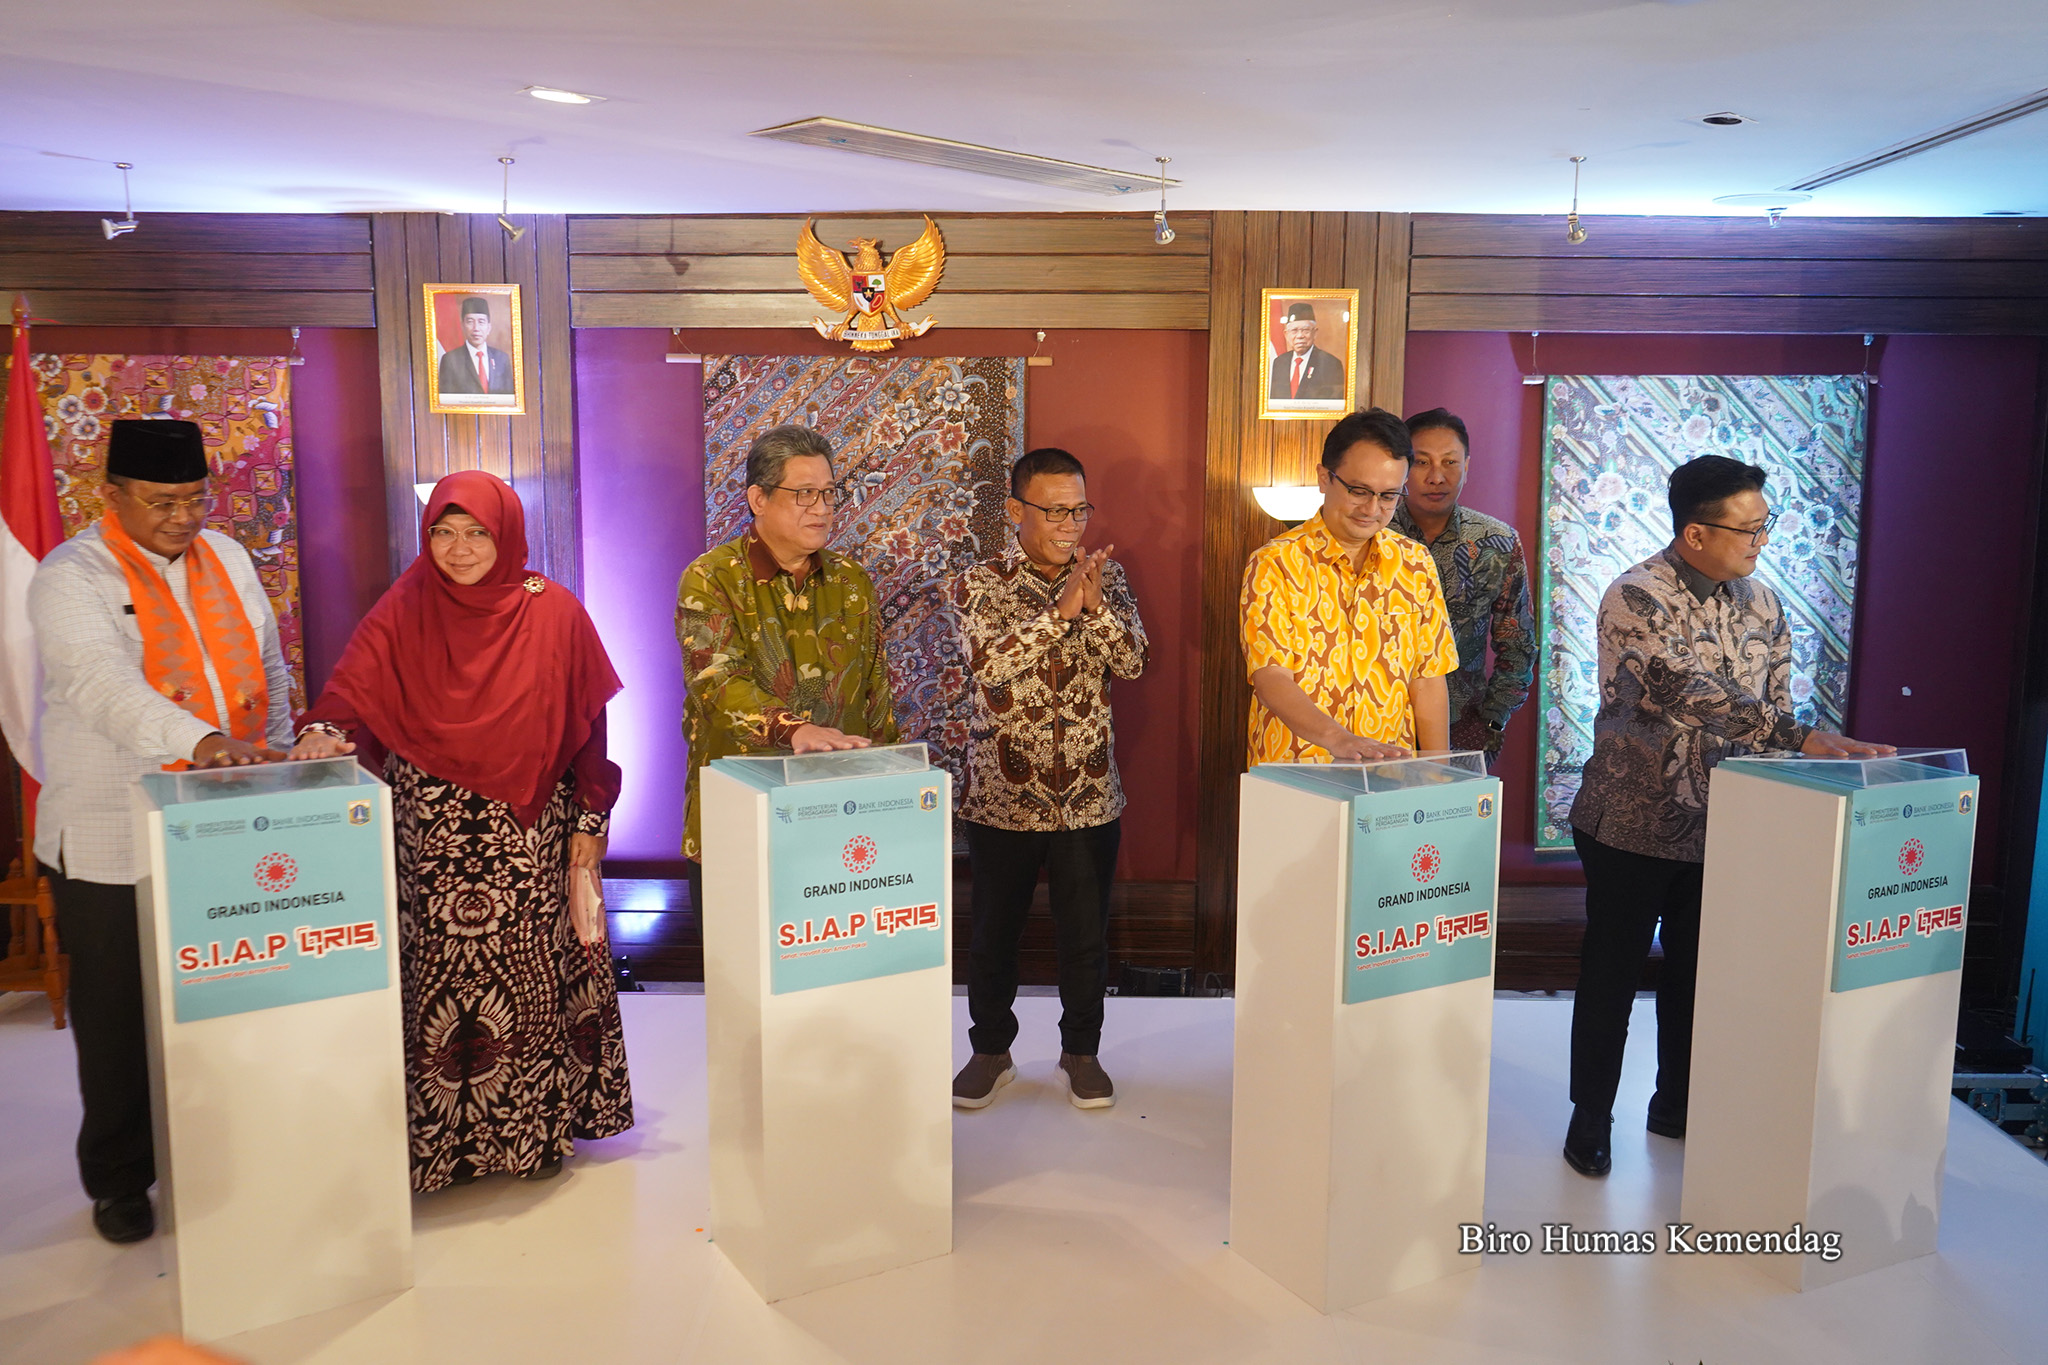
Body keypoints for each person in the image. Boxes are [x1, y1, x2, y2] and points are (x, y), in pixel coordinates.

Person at [292, 470, 632, 1190]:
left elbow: (590, 728)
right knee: (436, 982)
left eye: (477, 532)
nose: (459, 548)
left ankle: (530, 1135)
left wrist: (591, 818)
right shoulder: (407, 603)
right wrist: (325, 728)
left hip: (526, 831)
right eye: (443, 532)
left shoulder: (553, 611)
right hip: (432, 837)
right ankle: (442, 1147)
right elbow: (353, 687)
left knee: (526, 976)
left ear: (506, 533)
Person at [1562, 455, 1893, 1178]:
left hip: (1726, 827)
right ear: (1696, 533)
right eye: (1748, 529)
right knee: (1612, 974)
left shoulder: (1764, 603)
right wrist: (1798, 735)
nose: (1760, 541)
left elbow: (1774, 706)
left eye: (1765, 525)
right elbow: (1679, 688)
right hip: (1631, 822)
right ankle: (1590, 1117)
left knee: (1697, 974)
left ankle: (1677, 1103)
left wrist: (1791, 784)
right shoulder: (1635, 595)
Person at [28, 418, 292, 1244]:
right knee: (117, 1016)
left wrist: (282, 761)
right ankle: (119, 1177)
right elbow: (102, 685)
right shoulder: (71, 576)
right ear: (111, 496)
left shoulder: (230, 559)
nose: (183, 518)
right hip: (112, 831)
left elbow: (267, 667)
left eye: (194, 499)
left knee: (226, 996)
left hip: (222, 823)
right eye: (161, 502)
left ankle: (219, 1152)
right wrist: (204, 742)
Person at [951, 448, 1148, 1112]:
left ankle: (1081, 1053)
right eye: (1055, 511)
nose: (1070, 524)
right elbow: (988, 666)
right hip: (1002, 797)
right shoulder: (980, 582)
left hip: (1089, 797)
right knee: (993, 935)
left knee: (1085, 938)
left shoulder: (1107, 577)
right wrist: (1059, 613)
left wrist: (1096, 608)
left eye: (1079, 510)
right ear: (1016, 510)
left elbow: (1135, 661)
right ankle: (990, 1050)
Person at [674, 424, 898, 917]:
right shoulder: (711, 578)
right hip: (742, 816)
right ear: (759, 499)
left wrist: (888, 783)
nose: (822, 508)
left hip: (839, 818)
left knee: (833, 956)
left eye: (829, 493)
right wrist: (794, 730)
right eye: (804, 494)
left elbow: (876, 692)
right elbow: (717, 683)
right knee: (743, 962)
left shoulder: (851, 581)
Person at [1241, 407, 1458, 764]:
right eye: (1359, 491)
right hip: (1298, 769)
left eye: (1388, 496)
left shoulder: (1415, 563)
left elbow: (1428, 678)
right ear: (1324, 478)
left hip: (1390, 772)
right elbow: (1271, 678)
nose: (1371, 509)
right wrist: (1338, 740)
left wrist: (1439, 772)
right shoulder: (1276, 562)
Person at [1390, 408, 1535, 764]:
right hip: (1378, 730)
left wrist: (1493, 721)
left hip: (1464, 734)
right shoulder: (1375, 534)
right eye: (1422, 462)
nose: (1436, 477)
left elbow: (1518, 644)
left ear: (1467, 467)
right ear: (1402, 467)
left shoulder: (1497, 541)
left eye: (1450, 462)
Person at [1267, 301, 1345, 402]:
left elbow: (1334, 403)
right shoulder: (1279, 362)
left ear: (1315, 333)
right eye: (1294, 331)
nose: (1300, 336)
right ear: (1286, 334)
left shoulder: (1330, 364)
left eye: (1305, 330)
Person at [435, 296, 515, 396]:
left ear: (488, 327)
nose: (476, 328)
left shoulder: (501, 358)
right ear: (462, 326)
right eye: (470, 322)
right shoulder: (450, 360)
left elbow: (509, 396)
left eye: (481, 322)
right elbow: (446, 398)